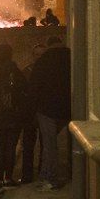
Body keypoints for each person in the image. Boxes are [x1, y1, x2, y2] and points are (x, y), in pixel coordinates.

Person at [27, 34, 73, 189]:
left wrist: (33, 109)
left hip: (46, 109)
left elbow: (34, 87)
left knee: (49, 145)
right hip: (68, 107)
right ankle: (72, 173)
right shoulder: (71, 57)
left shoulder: (43, 62)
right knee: (72, 142)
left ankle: (49, 177)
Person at [0, 44, 28, 192]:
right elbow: (23, 87)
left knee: (0, 147)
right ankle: (8, 177)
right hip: (12, 114)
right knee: (10, 146)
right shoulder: (13, 70)